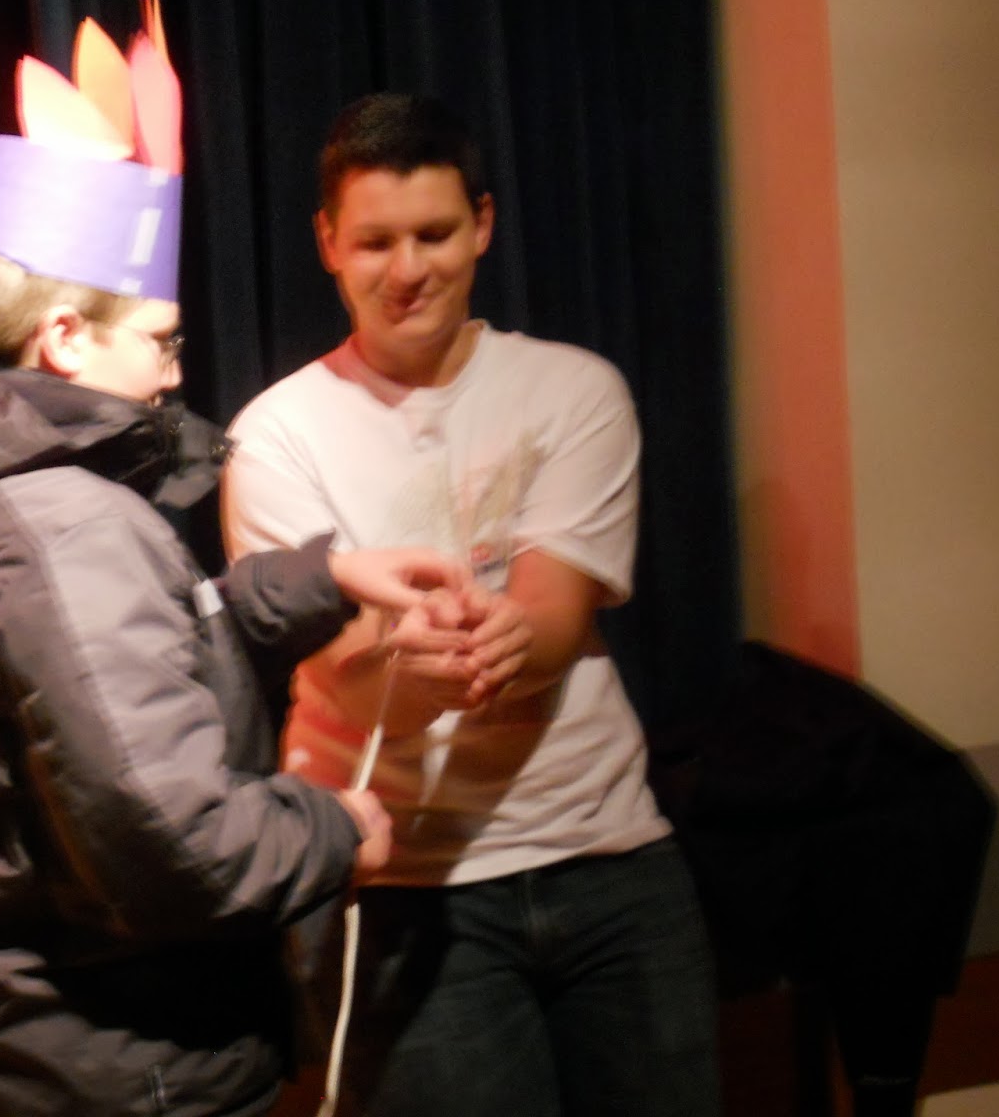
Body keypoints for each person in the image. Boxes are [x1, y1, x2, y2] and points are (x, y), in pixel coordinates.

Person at [0, 15, 474, 1117]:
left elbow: (99, 674)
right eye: (160, 340)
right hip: (109, 1054)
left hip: (22, 1035)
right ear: (65, 338)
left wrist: (323, 582)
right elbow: (173, 846)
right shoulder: (67, 531)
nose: (170, 375)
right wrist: (337, 832)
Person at [221, 93, 721, 1116]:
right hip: (402, 885)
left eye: (434, 234)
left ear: (482, 225)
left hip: (604, 855)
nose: (407, 269)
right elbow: (345, 675)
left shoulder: (573, 390)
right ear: (328, 243)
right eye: (376, 242)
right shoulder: (276, 434)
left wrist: (501, 641)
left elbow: (556, 616)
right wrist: (422, 667)